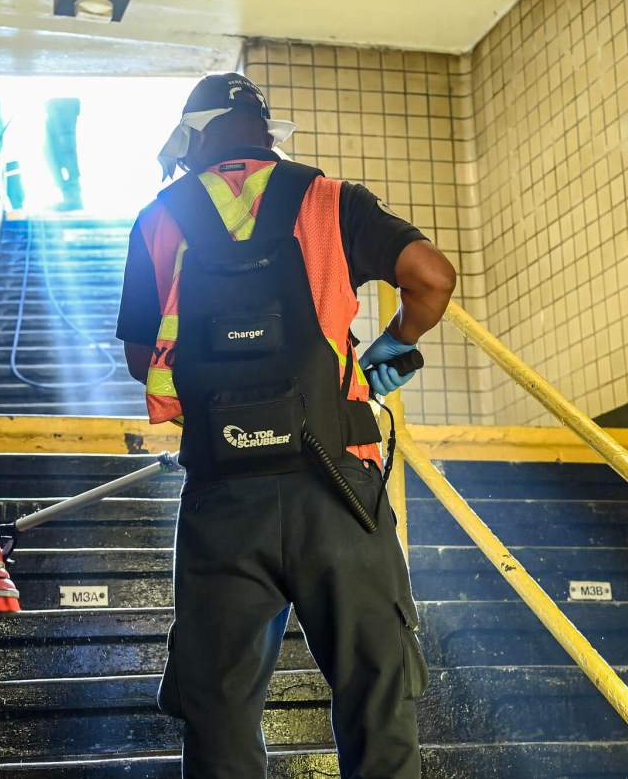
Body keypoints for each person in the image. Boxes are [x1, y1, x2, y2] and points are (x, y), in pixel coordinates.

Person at [116, 72, 456, 779]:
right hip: (338, 485)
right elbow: (431, 276)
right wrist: (391, 345)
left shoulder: (159, 218)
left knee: (221, 715)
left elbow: (140, 357)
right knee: (377, 698)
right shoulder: (330, 199)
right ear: (266, 134)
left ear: (192, 136)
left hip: (222, 497)